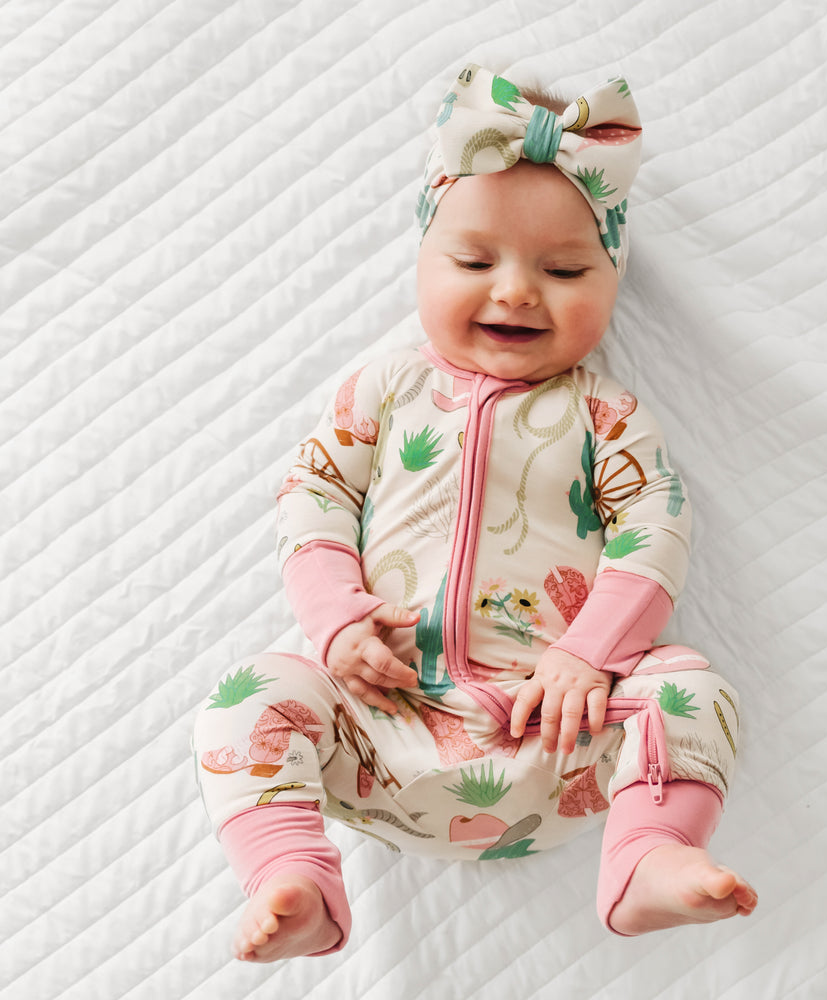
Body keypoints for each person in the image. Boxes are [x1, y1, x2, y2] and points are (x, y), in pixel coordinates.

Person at [192, 63, 757, 963]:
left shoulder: (602, 413)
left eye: (566, 268)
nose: (517, 290)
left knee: (692, 689)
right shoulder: (386, 385)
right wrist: (334, 622)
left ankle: (648, 851)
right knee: (247, 696)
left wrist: (588, 654)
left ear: (612, 275)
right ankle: (291, 875)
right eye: (472, 261)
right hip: (380, 729)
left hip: (557, 741)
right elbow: (313, 492)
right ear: (422, 255)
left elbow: (655, 528)